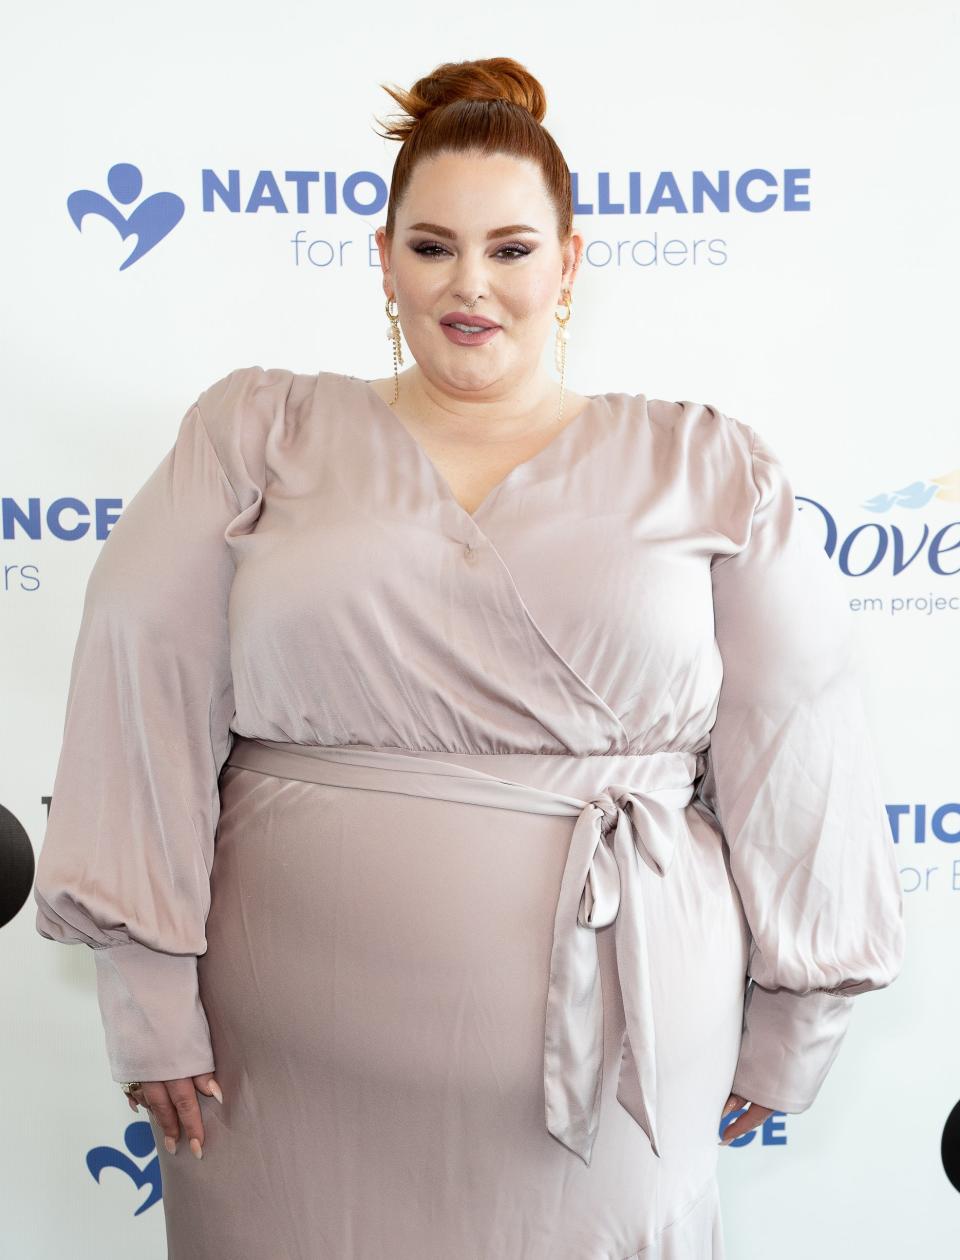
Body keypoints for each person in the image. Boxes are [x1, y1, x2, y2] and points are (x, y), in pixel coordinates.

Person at [33, 55, 905, 1259]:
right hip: (282, 1058)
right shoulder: (256, 433)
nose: (471, 285)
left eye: (510, 248)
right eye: (433, 246)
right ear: (381, 257)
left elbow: (800, 744)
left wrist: (798, 1016)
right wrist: (145, 999)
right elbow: (142, 693)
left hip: (625, 1055)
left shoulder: (709, 466)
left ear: (570, 261)